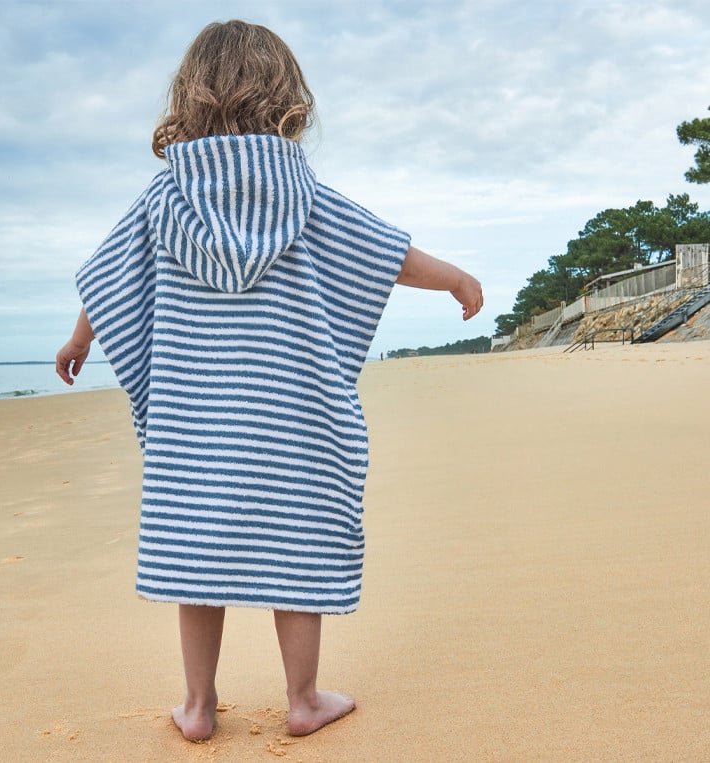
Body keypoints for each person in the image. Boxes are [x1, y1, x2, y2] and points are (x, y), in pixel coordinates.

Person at [56, 19, 482, 742]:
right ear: (287, 97)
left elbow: (109, 278)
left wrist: (78, 339)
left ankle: (196, 706)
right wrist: (456, 279)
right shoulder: (304, 192)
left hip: (198, 423)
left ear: (189, 96)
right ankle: (304, 698)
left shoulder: (165, 199)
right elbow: (388, 252)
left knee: (198, 556)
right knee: (301, 548)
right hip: (291, 418)